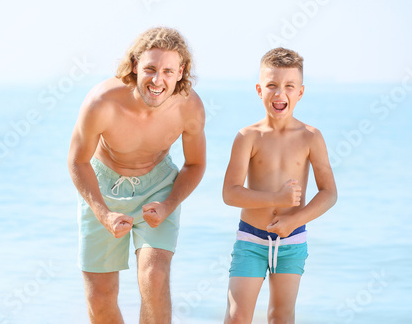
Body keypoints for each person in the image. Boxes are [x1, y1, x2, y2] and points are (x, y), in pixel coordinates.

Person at [67, 27, 206, 324]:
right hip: (103, 186)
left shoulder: (189, 107)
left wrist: (168, 205)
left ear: (181, 72)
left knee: (154, 276)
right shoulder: (102, 102)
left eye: (169, 71)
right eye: (150, 69)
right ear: (134, 66)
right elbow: (77, 161)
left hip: (158, 186)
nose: (158, 81)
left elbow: (195, 165)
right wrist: (103, 213)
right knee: (99, 297)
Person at [222, 47, 337, 324]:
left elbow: (329, 193)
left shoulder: (311, 137)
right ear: (259, 89)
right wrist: (276, 197)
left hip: (292, 240)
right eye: (272, 85)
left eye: (289, 86)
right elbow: (230, 193)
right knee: (237, 316)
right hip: (250, 238)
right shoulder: (247, 136)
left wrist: (294, 220)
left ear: (300, 91)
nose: (279, 93)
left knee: (280, 317)